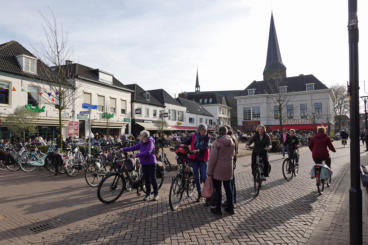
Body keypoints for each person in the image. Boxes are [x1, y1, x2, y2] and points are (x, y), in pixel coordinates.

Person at [122, 130, 159, 201]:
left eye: (140, 135)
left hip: (151, 163)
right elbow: (133, 147)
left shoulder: (150, 142)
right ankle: (148, 194)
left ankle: (156, 194)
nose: (139, 136)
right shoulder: (141, 142)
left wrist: (137, 155)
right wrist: (123, 149)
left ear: (144, 136)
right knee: (146, 179)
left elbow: (148, 152)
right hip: (144, 163)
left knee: (153, 179)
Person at [207, 126, 236, 215]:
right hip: (228, 168)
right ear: (226, 132)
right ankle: (230, 208)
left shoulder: (216, 143)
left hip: (218, 170)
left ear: (219, 132)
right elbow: (233, 154)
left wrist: (209, 172)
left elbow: (212, 159)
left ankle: (218, 209)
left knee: (218, 190)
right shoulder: (232, 142)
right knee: (228, 189)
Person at [184, 124, 210, 202]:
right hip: (194, 158)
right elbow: (187, 141)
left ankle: (208, 195)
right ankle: (199, 193)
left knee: (204, 177)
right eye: (203, 130)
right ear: (199, 130)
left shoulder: (207, 137)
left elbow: (205, 146)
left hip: (202, 159)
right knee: (196, 177)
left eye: (205, 130)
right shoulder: (194, 136)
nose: (204, 132)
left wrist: (198, 150)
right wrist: (179, 144)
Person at [225, 125, 238, 204]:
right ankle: (233, 199)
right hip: (234, 161)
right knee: (232, 181)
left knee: (230, 182)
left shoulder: (230, 139)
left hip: (230, 162)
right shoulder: (234, 138)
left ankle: (231, 200)